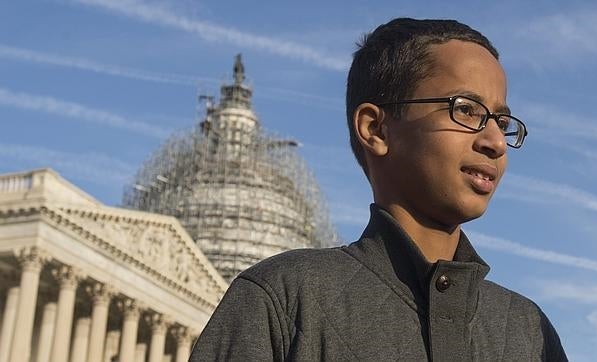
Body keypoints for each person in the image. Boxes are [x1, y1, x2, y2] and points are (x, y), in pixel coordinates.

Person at [190, 18, 567, 361]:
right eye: (466, 110)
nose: (496, 141)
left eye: (502, 121)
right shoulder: (284, 300)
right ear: (376, 129)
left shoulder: (528, 332)